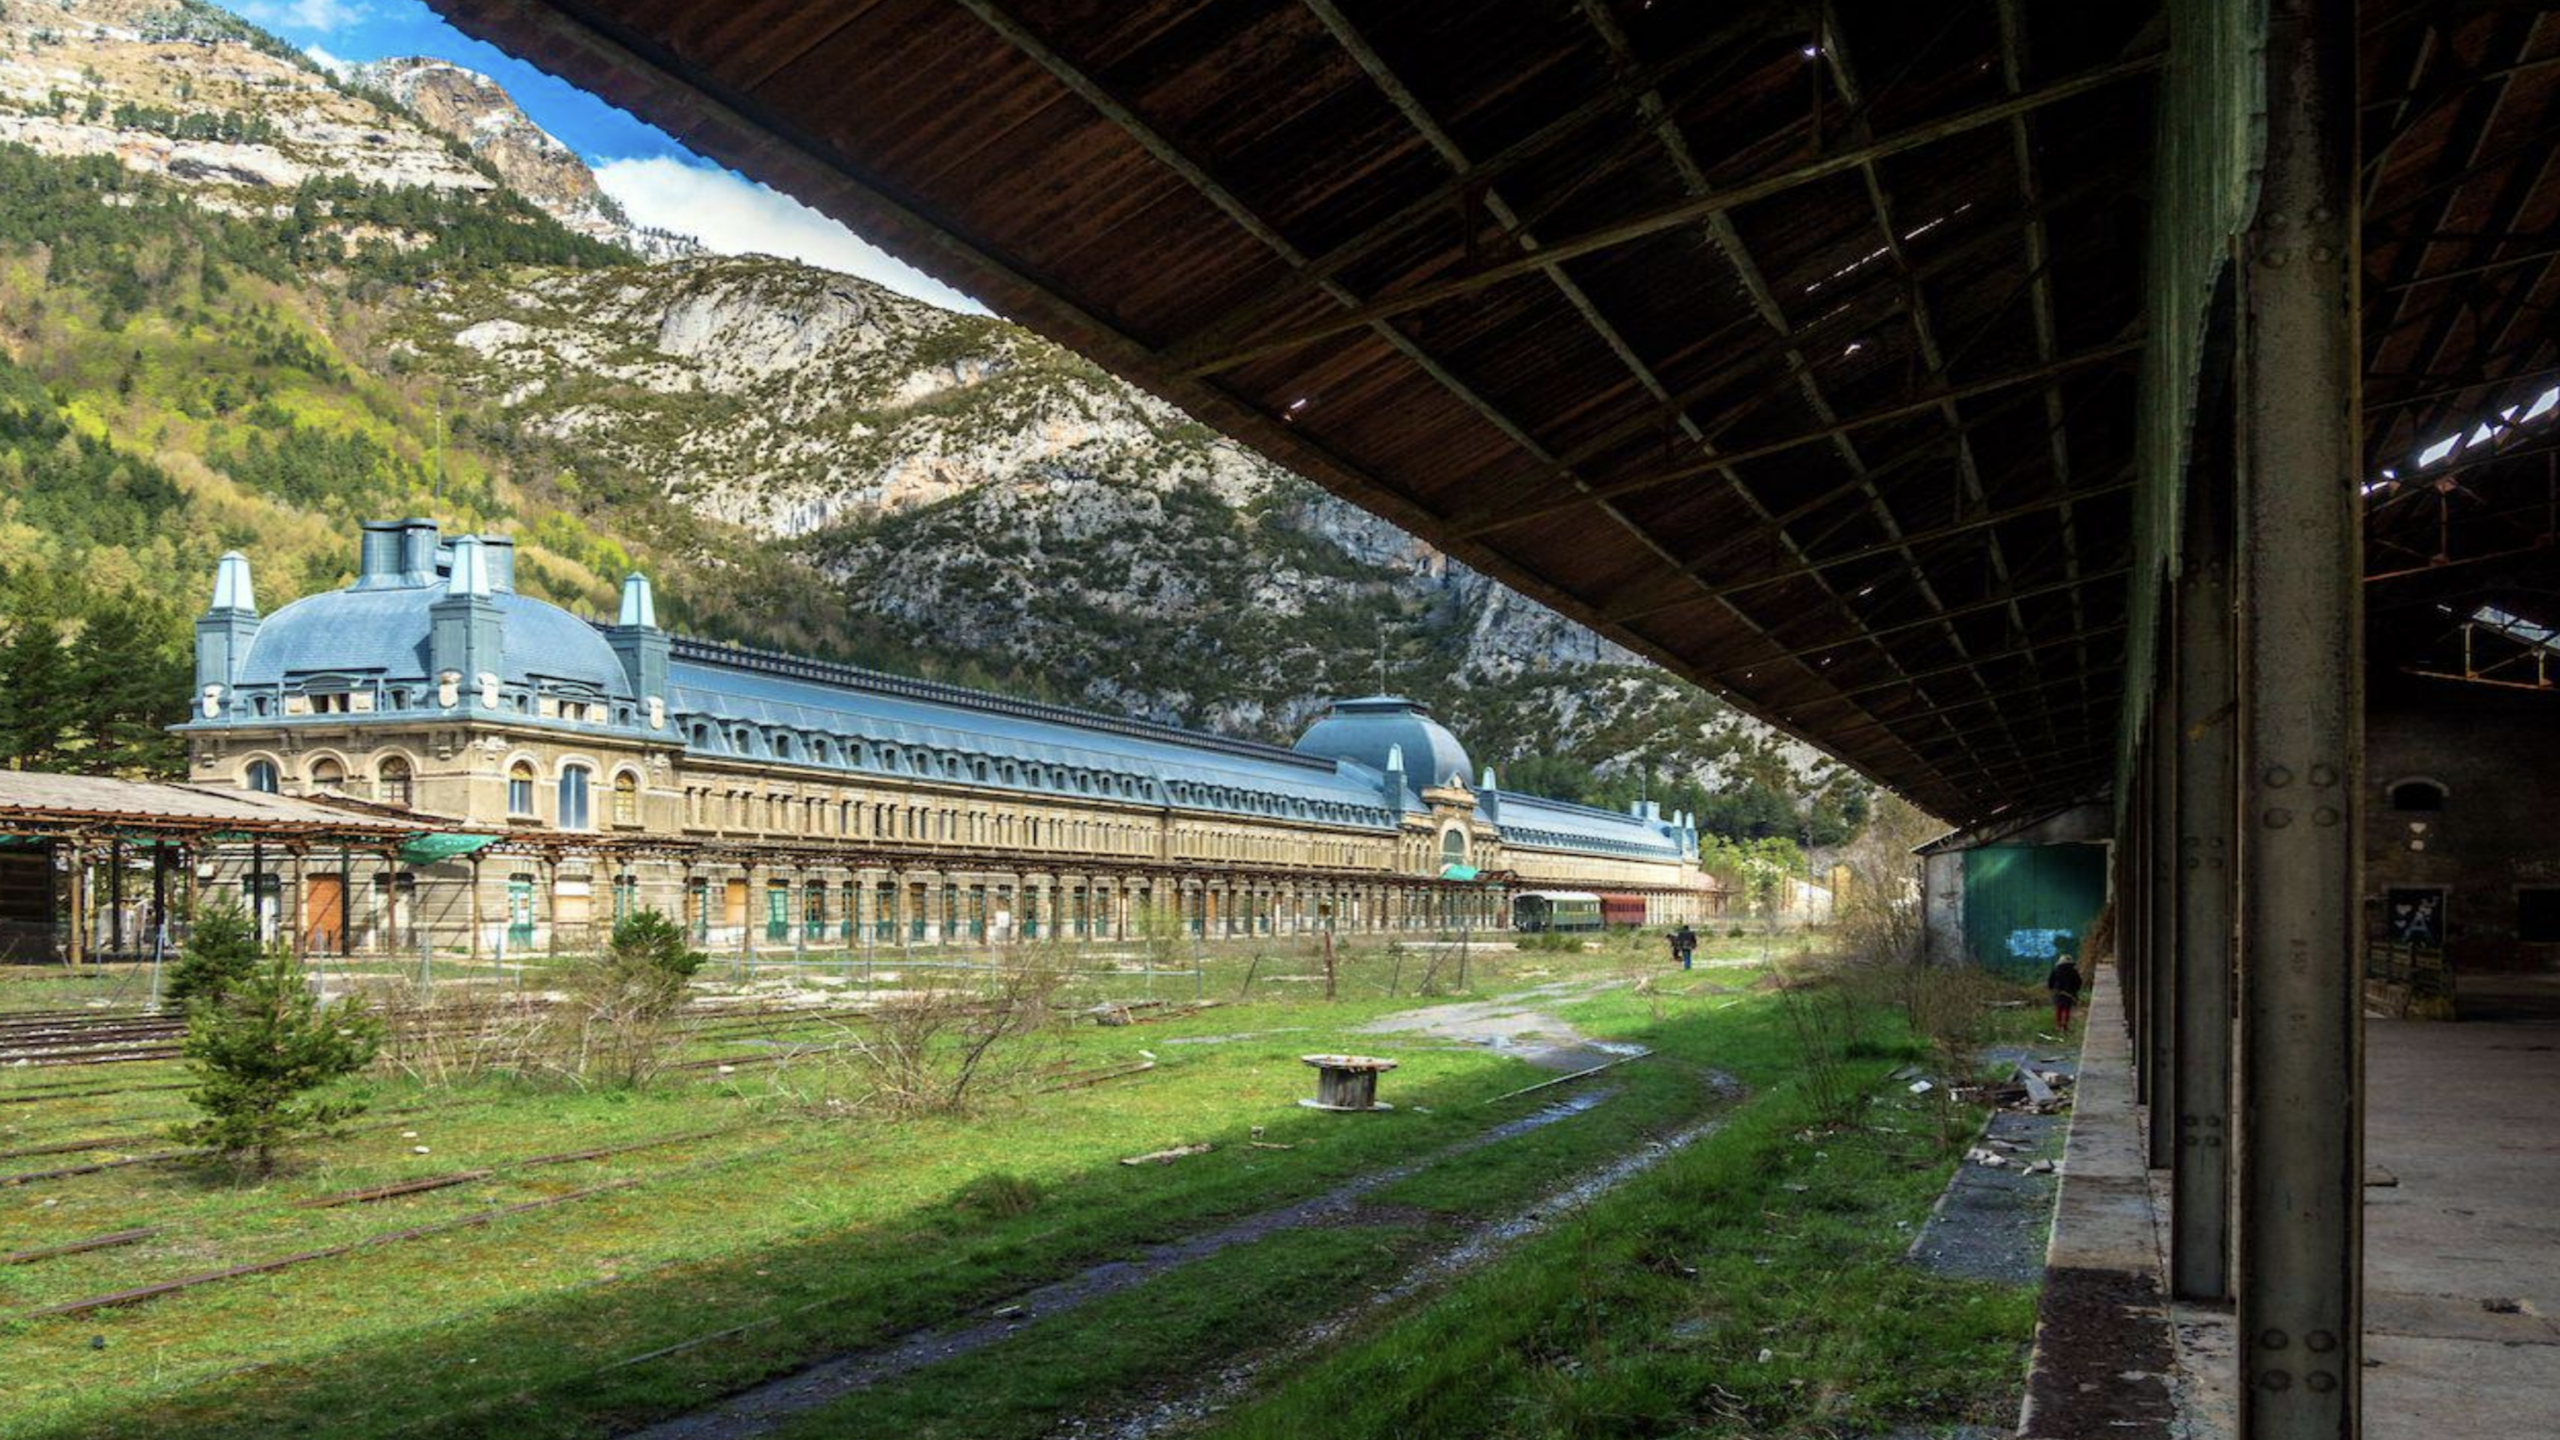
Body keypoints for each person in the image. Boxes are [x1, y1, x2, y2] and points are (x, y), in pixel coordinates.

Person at [2045, 945, 2085, 1035]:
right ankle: (2065, 1025)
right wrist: (2075, 990)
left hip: (2058, 992)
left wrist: (2051, 988)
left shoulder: (2056, 970)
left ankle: (2058, 1025)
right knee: (2067, 1009)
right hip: (2070, 992)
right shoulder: (2073, 971)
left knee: (2059, 1009)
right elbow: (2078, 982)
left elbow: (2050, 981)